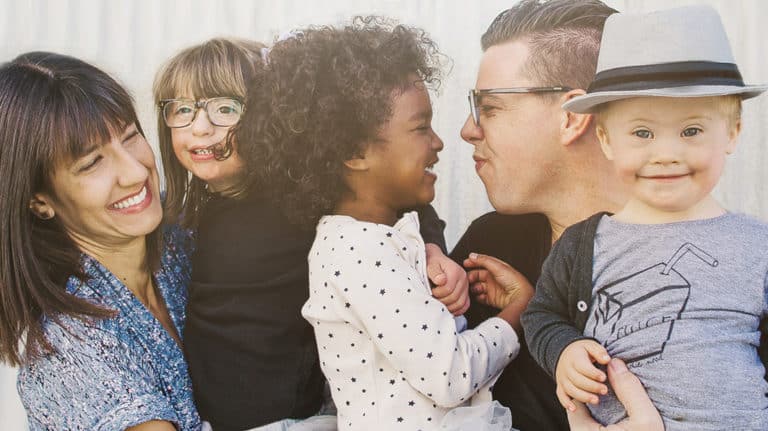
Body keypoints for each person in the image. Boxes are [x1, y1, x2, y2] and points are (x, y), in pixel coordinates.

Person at [154, 37, 468, 431]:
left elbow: (402, 200)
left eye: (225, 109)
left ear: (269, 118)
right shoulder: (183, 214)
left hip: (291, 418)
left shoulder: (296, 197)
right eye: (182, 110)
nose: (200, 128)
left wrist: (431, 249)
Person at [241, 17, 534, 431]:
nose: (438, 142)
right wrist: (520, 311)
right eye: (420, 127)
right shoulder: (358, 251)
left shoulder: (380, 239)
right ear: (354, 151)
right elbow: (449, 375)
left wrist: (430, 255)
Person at [522, 5, 768, 430]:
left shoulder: (757, 244)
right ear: (605, 138)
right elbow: (541, 316)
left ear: (732, 131)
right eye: (642, 133)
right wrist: (564, 350)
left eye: (691, 130)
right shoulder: (584, 244)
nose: (666, 153)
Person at [0, 52, 202, 430]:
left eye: (130, 136)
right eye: (92, 162)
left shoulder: (183, 245)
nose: (135, 171)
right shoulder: (68, 353)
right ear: (39, 201)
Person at [453, 1, 621, 429]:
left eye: (489, 107)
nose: (468, 130)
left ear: (572, 116)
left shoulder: (718, 268)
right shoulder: (488, 244)